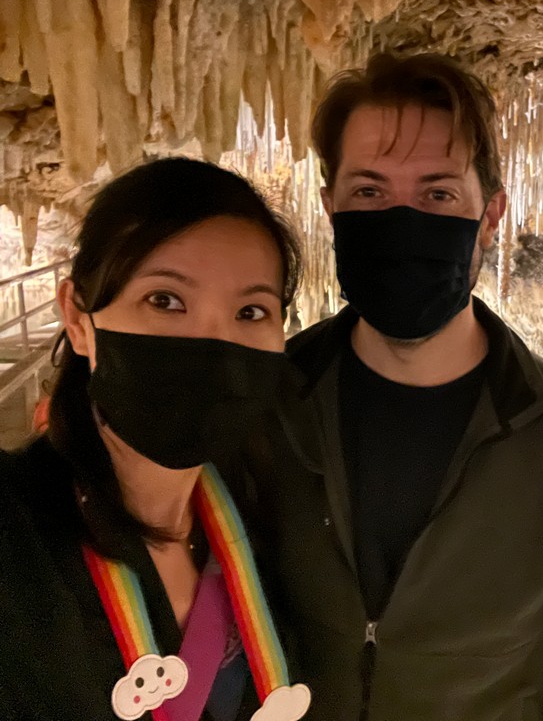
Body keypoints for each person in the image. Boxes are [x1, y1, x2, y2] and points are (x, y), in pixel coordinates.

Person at [258, 53, 543, 720]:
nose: (402, 223)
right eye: (370, 193)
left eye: (437, 195)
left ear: (491, 216)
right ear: (330, 208)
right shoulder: (270, 400)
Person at [0, 158, 312, 721]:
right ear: (78, 318)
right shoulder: (15, 532)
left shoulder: (266, 509)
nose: (212, 345)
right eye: (165, 300)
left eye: (251, 311)